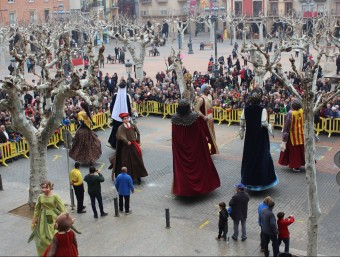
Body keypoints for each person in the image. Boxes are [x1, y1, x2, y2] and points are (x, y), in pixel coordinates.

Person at [171, 99, 220, 196]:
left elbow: (175, 137)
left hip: (181, 149)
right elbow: (198, 134)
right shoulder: (193, 117)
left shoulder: (174, 118)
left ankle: (184, 189)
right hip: (194, 148)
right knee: (199, 164)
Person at [239, 89, 279, 190]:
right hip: (260, 137)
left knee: (249, 157)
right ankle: (262, 181)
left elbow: (242, 122)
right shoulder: (263, 110)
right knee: (262, 156)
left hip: (249, 137)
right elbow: (264, 122)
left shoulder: (246, 109)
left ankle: (248, 180)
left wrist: (242, 132)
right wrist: (270, 128)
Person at [28, 180, 67, 256]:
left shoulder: (55, 196)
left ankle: (53, 252)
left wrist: (62, 219)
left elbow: (63, 209)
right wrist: (35, 218)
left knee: (50, 235)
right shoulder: (40, 196)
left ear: (50, 187)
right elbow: (37, 208)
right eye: (42, 188)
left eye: (46, 188)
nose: (44, 190)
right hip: (42, 217)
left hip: (51, 217)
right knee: (41, 236)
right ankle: (43, 253)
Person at [109, 112, 148, 184]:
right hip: (125, 148)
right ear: (122, 120)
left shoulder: (132, 125)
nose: (126, 120)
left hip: (134, 146)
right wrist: (126, 141)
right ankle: (129, 177)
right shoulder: (121, 128)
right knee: (126, 162)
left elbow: (138, 133)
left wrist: (138, 141)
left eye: (127, 118)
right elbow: (120, 136)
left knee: (137, 160)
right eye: (124, 119)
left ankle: (138, 176)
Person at [278, 98, 305, 171]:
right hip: (301, 134)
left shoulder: (290, 114)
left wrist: (284, 139)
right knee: (301, 150)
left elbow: (286, 127)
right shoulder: (302, 111)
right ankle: (301, 163)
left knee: (294, 151)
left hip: (292, 135)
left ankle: (295, 165)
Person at [194, 84, 219, 155]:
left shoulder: (210, 96)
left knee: (211, 135)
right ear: (204, 90)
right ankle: (204, 151)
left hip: (210, 119)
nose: (209, 90)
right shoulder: (201, 99)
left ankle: (210, 150)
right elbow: (196, 109)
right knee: (206, 136)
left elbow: (211, 107)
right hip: (204, 121)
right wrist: (203, 116)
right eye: (207, 89)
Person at [108, 80, 132, 149]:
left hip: (116, 117)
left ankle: (114, 143)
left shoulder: (115, 95)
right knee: (126, 130)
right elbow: (128, 106)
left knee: (115, 130)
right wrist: (129, 114)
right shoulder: (127, 96)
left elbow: (112, 106)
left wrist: (113, 113)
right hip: (125, 117)